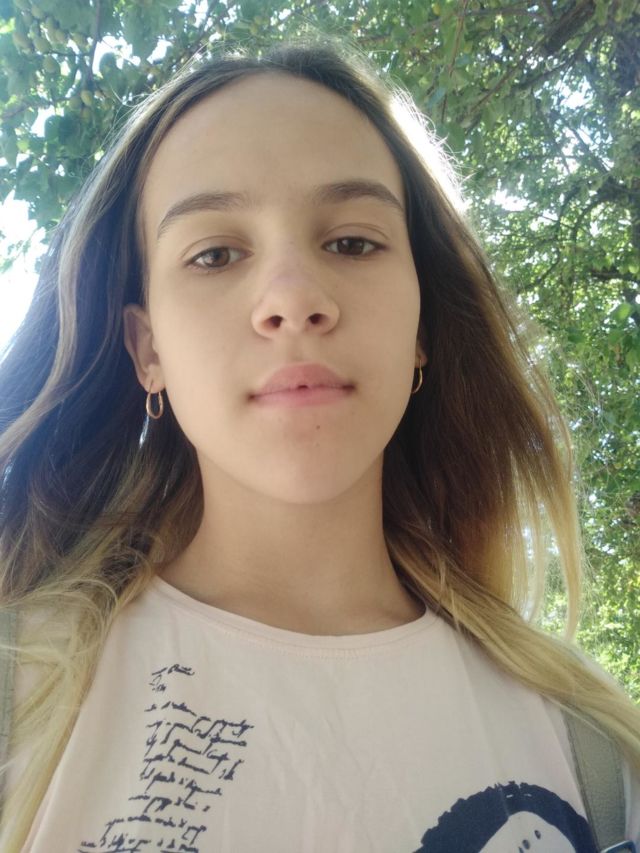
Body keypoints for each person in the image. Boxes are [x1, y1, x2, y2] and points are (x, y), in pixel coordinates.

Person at [0, 36, 638, 852]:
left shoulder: (596, 755)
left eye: (351, 242)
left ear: (421, 328)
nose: (293, 298)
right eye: (215, 253)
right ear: (147, 349)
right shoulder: (22, 693)